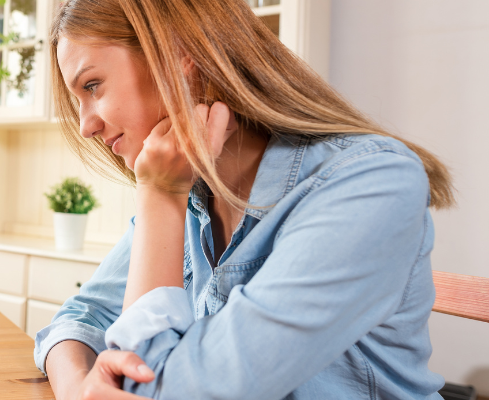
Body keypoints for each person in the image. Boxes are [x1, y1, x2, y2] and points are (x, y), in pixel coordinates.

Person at [33, 0, 454, 399]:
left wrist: (160, 195)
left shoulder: (369, 183)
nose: (86, 126)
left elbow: (158, 388)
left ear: (180, 59)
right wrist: (80, 387)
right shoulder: (194, 191)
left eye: (92, 85)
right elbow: (76, 320)